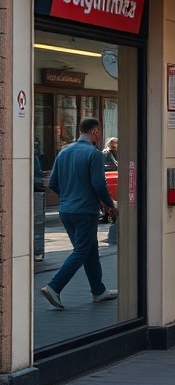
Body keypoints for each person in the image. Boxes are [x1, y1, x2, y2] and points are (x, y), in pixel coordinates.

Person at [39, 117, 119, 310]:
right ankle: (54, 286)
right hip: (85, 211)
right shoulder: (94, 154)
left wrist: (68, 197)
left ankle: (98, 290)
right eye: (98, 133)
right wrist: (110, 204)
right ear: (95, 132)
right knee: (82, 251)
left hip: (66, 210)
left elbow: (53, 183)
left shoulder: (64, 152)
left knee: (90, 250)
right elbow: (99, 184)